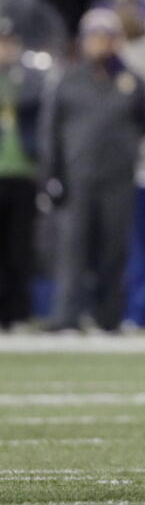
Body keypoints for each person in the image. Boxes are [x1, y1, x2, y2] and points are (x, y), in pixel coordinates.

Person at [43, 8, 145, 332]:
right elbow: (51, 131)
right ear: (84, 40)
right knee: (72, 251)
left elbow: (144, 124)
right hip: (78, 178)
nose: (102, 42)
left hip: (117, 179)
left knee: (114, 250)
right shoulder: (68, 79)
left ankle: (108, 316)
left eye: (107, 36)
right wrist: (51, 176)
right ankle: (67, 316)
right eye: (95, 36)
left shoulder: (131, 82)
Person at [0, 17, 47, 329]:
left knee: (20, 248)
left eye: (9, 42)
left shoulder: (30, 78)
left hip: (23, 172)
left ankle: (18, 313)